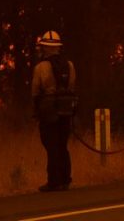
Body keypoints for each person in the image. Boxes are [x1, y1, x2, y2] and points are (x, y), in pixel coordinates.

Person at [31, 30, 75, 192]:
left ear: (45, 48)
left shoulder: (41, 67)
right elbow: (71, 87)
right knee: (63, 144)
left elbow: (35, 91)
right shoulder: (70, 65)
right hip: (66, 109)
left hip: (48, 111)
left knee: (51, 146)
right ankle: (65, 180)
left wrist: (36, 110)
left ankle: (53, 182)